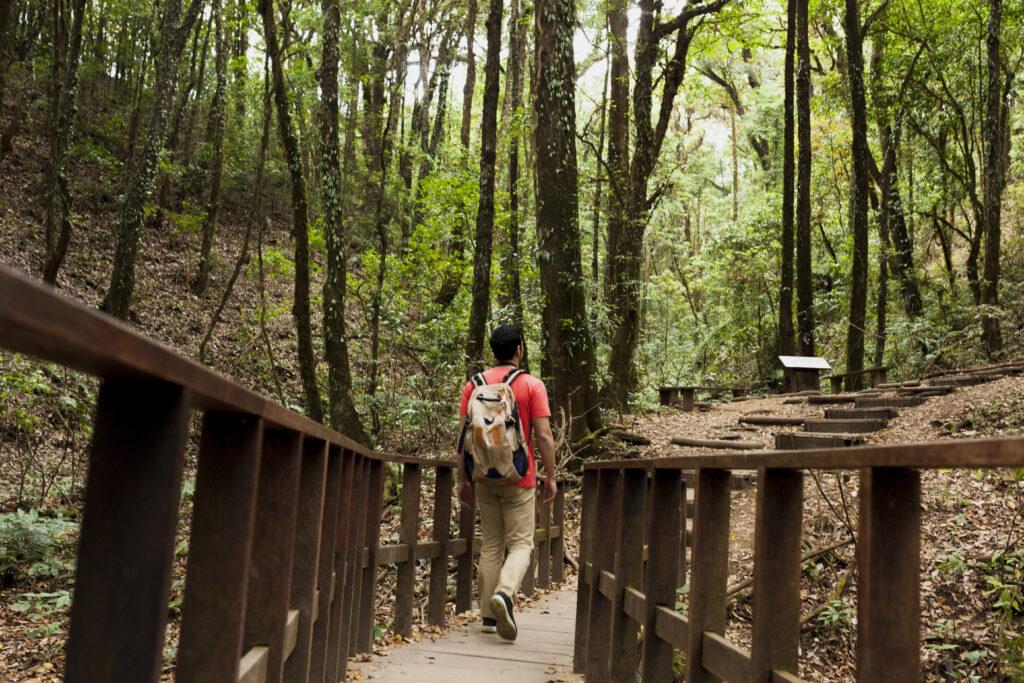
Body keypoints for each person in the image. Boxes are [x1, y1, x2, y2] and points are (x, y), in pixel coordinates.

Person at [456, 325, 558, 641]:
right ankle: (504, 593)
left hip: (484, 476)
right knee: (522, 543)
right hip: (520, 476)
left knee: (490, 544)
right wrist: (551, 476)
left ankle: (488, 618)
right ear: (519, 350)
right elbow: (543, 435)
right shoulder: (531, 385)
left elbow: (461, 438)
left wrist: (463, 478)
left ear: (494, 350)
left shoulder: (472, 386)